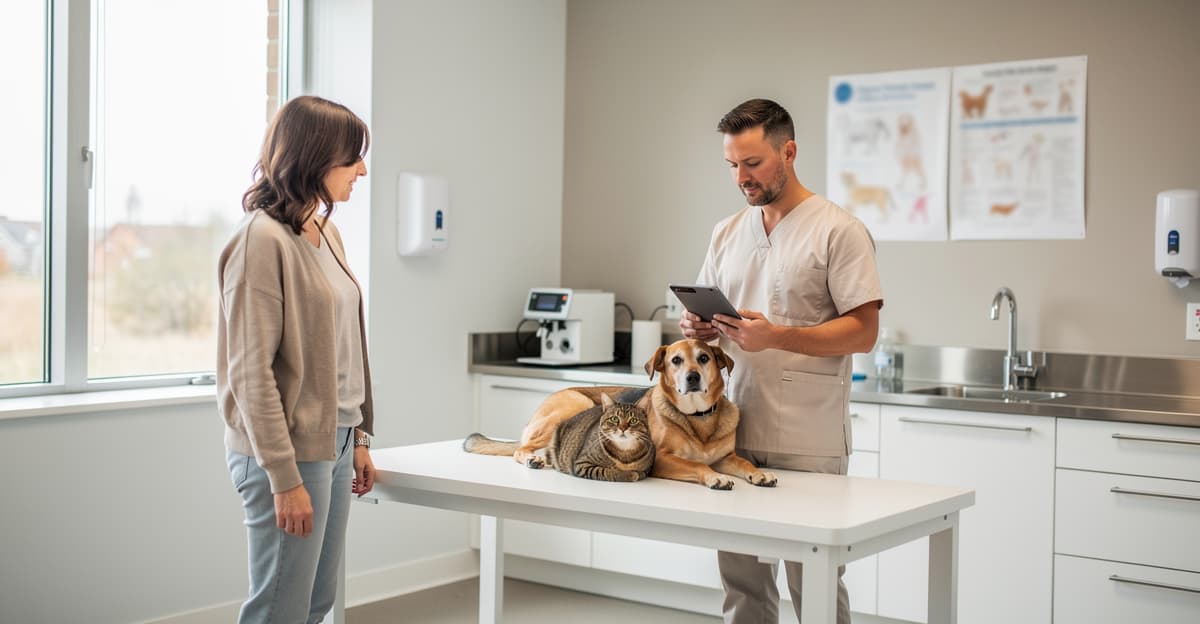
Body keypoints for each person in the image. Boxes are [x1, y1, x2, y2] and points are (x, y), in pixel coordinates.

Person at [680, 98, 883, 624]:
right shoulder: (727, 233)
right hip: (730, 428)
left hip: (805, 437)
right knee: (742, 584)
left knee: (812, 579)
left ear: (788, 152)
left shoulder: (838, 230)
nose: (741, 178)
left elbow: (864, 331)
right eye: (732, 165)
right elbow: (714, 323)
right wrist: (697, 329)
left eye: (753, 163)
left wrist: (777, 337)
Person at [218, 95, 376, 624]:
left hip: (336, 440)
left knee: (315, 603)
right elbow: (249, 372)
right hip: (285, 450)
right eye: (352, 157)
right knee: (278, 608)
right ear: (316, 156)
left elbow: (345, 345)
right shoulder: (260, 240)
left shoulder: (326, 232)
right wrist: (283, 478)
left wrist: (359, 437)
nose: (362, 169)